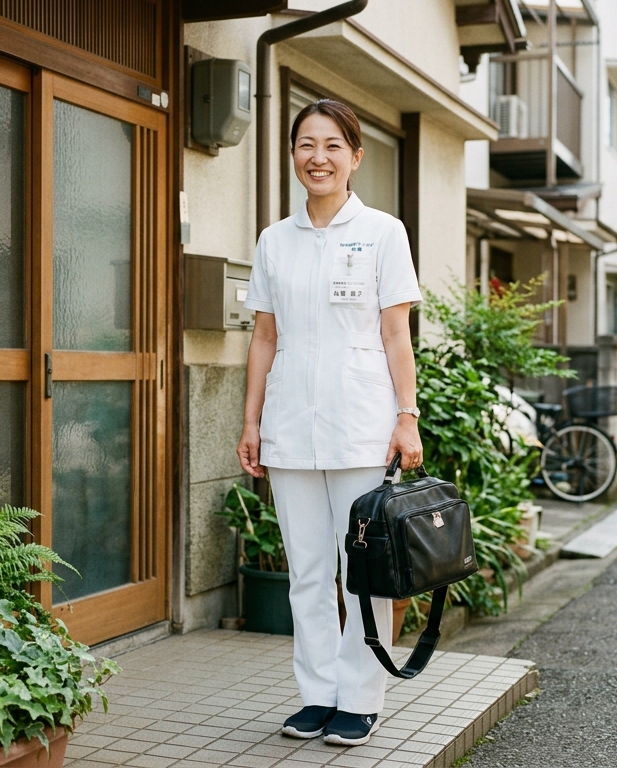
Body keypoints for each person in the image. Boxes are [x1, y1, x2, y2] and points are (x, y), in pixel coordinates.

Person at [237, 98, 423, 748]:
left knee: (362, 571)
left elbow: (396, 333)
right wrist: (252, 421)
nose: (318, 158)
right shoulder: (274, 240)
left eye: (332, 146)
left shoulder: (383, 232)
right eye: (306, 145)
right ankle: (317, 694)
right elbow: (264, 337)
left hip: (361, 427)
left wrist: (406, 416)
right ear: (293, 155)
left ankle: (361, 698)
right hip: (290, 427)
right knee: (308, 571)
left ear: (355, 157)